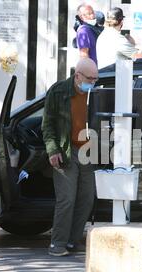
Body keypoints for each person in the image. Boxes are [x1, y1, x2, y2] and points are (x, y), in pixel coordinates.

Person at [42, 57, 99, 257]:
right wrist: (52, 150)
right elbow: (47, 124)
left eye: (95, 79)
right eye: (90, 79)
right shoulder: (58, 92)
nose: (93, 82)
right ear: (77, 76)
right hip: (65, 150)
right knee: (66, 198)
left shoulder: (96, 94)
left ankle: (73, 241)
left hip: (88, 152)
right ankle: (57, 243)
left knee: (86, 198)